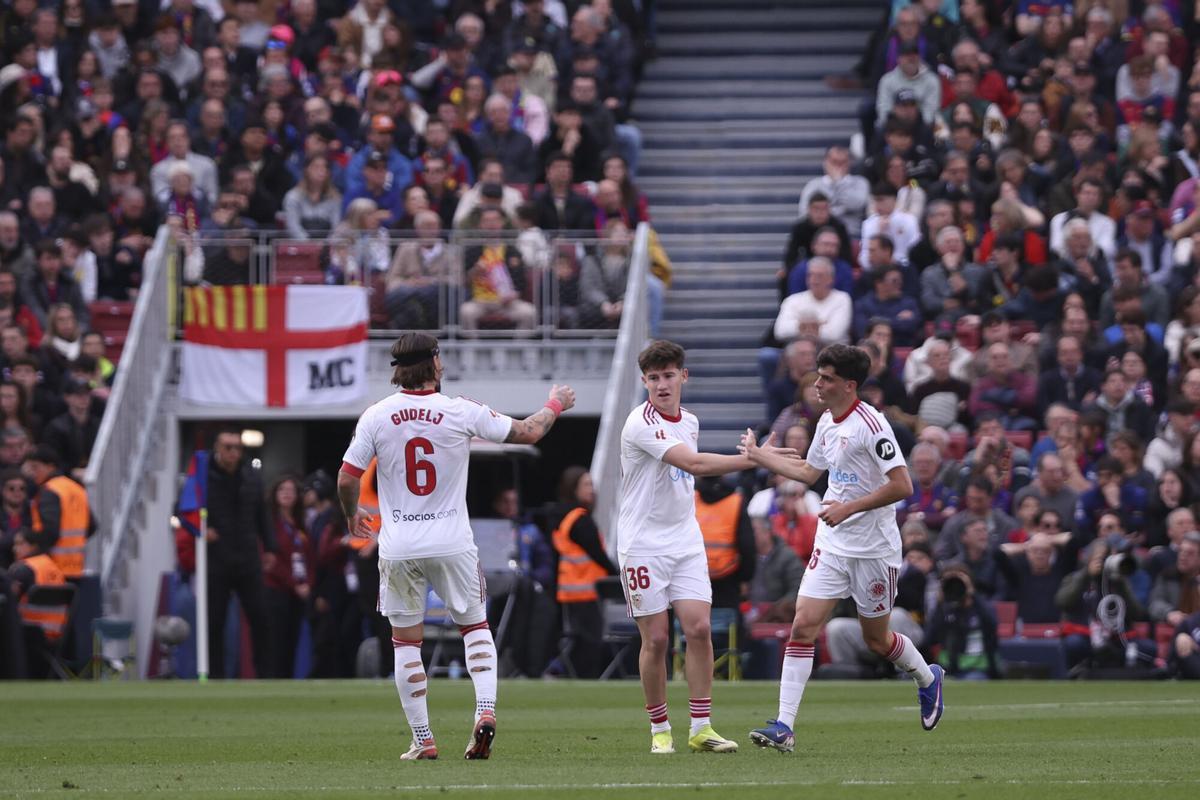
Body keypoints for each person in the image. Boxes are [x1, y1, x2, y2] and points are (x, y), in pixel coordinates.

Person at [337, 332, 576, 760]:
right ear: (434, 364)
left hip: (400, 546)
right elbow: (528, 431)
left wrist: (351, 514)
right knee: (475, 628)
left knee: (406, 643)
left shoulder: (376, 415)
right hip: (452, 542)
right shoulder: (459, 410)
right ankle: (484, 712)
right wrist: (555, 402)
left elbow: (346, 478)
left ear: (398, 370)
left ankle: (423, 739)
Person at [741, 343, 943, 753]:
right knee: (803, 626)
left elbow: (903, 485)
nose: (818, 383)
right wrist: (761, 456)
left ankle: (927, 678)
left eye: (827, 378)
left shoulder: (873, 425)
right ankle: (784, 725)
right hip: (833, 543)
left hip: (873, 550)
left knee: (877, 641)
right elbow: (809, 471)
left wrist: (849, 507)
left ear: (849, 385)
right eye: (819, 375)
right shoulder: (827, 422)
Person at [617, 340, 759, 755]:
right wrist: (756, 459)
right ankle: (660, 729)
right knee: (657, 638)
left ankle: (701, 727)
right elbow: (695, 465)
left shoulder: (690, 421)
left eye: (668, 375)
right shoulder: (639, 423)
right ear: (644, 381)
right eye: (654, 378)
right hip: (642, 543)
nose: (662, 384)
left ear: (684, 376)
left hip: (684, 540)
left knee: (698, 628)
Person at [202, 428, 276, 680]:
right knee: (215, 620)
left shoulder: (251, 476)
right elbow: (182, 509)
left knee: (260, 616)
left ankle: (264, 674)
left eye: (237, 448)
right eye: (228, 447)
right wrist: (203, 530)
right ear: (217, 448)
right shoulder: (202, 477)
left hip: (247, 556)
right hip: (216, 557)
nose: (233, 453)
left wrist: (270, 548)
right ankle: (215, 675)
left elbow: (262, 515)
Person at [551, 467, 617, 679]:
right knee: (590, 641)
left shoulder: (563, 518)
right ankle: (583, 676)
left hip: (571, 590)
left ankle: (568, 672)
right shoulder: (580, 519)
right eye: (586, 485)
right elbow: (598, 555)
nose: (592, 490)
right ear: (574, 489)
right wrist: (617, 575)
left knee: (579, 639)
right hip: (586, 590)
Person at [261, 474, 313, 679]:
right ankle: (273, 679)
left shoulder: (300, 524)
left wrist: (308, 583)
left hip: (298, 592)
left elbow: (310, 558)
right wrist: (294, 585)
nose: (287, 494)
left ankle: (289, 679)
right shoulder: (270, 523)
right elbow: (271, 561)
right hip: (276, 589)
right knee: (276, 639)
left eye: (291, 491)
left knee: (293, 638)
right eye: (282, 490)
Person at [23, 445, 89, 580]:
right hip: (77, 566)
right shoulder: (76, 489)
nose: (32, 473)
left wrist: (29, 535)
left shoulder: (50, 491)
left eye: (36, 467)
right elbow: (92, 526)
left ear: (50, 466)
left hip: (52, 567)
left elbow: (50, 532)